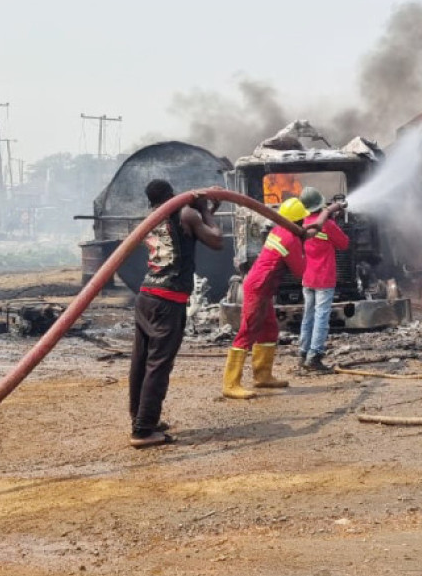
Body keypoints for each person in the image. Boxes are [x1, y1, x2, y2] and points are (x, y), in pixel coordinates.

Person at [129, 180, 224, 448]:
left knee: (141, 362)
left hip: (146, 296)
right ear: (172, 195)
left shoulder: (151, 218)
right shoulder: (186, 214)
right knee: (159, 365)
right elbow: (216, 240)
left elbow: (185, 235)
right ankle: (143, 430)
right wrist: (204, 210)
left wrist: (204, 212)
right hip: (168, 300)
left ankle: (141, 418)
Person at [222, 196, 332, 398]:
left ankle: (263, 376)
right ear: (298, 221)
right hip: (258, 288)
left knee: (269, 330)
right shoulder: (290, 238)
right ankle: (231, 384)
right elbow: (300, 270)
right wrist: (304, 245)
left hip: (263, 287)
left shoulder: (280, 230)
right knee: (248, 331)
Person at [297, 187, 349, 371]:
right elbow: (344, 243)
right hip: (324, 278)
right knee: (321, 317)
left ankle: (303, 353)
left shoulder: (305, 222)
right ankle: (315, 356)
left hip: (307, 277)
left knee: (308, 316)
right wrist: (334, 220)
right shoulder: (327, 225)